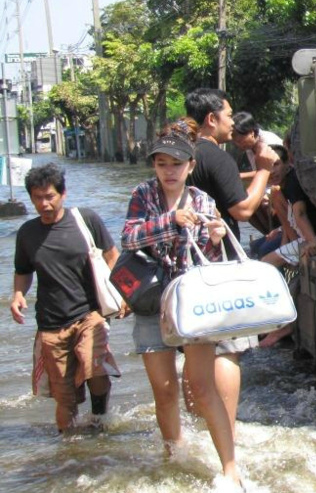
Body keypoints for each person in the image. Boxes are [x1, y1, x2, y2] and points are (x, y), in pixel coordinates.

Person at [121, 119, 243, 486]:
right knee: (164, 389)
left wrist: (217, 234)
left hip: (193, 302)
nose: (169, 171)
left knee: (203, 387)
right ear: (154, 166)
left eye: (176, 164)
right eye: (161, 164)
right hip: (152, 299)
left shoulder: (204, 200)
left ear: (190, 165)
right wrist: (169, 221)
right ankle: (174, 453)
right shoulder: (143, 194)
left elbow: (212, 257)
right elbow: (129, 237)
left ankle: (230, 467)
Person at [184, 88, 275, 445]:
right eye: (228, 115)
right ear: (211, 119)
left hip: (185, 263)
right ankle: (227, 432)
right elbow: (243, 210)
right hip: (217, 263)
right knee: (227, 348)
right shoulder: (215, 156)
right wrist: (265, 171)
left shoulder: (181, 153)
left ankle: (195, 429)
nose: (231, 122)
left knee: (194, 348)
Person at [11, 162, 122, 433]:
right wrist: (17, 294)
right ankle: (68, 450)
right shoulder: (27, 233)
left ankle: (99, 418)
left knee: (96, 368)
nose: (44, 204)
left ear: (63, 194)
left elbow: (112, 257)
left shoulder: (85, 220)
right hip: (50, 324)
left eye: (49, 196)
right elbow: (23, 271)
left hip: (89, 314)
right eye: (37, 198)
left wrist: (123, 295)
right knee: (64, 397)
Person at [258, 144, 316, 348]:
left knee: (265, 264)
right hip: (304, 237)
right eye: (268, 166)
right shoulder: (281, 189)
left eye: (277, 165)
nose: (272, 171)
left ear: (288, 164)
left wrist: (312, 241)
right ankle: (278, 319)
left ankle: (284, 325)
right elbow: (289, 222)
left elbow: (299, 214)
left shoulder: (293, 182)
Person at [232, 111, 283, 181]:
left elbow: (271, 172)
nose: (239, 145)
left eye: (240, 141)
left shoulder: (268, 143)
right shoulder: (250, 148)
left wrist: (238, 176)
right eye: (236, 142)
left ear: (251, 133)